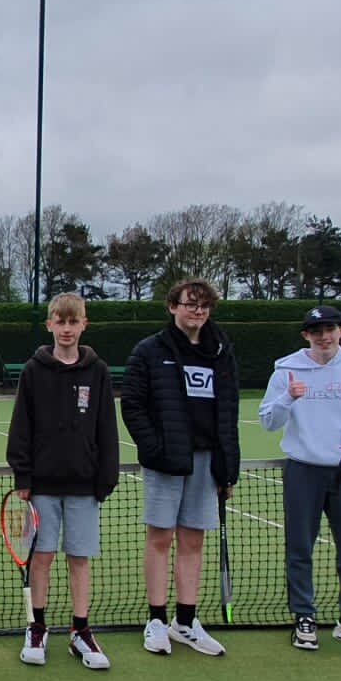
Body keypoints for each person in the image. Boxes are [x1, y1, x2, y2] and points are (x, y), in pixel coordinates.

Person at [258, 306, 341, 653]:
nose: (323, 336)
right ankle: (303, 617)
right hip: (303, 470)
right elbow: (268, 421)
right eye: (315, 330)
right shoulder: (285, 370)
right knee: (300, 548)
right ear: (306, 335)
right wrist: (289, 397)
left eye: (329, 329)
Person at [121, 279, 241, 656]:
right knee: (160, 539)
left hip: (207, 463)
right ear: (173, 307)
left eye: (204, 306)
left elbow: (229, 411)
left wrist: (228, 467)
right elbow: (133, 406)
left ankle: (185, 621)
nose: (198, 311)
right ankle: (156, 619)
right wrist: (155, 449)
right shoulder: (150, 351)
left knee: (193, 541)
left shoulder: (221, 351)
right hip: (166, 462)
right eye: (191, 304)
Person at [7, 293, 120, 669]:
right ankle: (37, 627)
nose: (67, 329)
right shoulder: (33, 370)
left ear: (83, 324)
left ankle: (80, 631)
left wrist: (106, 477)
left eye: (74, 322)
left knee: (79, 559)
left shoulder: (98, 370)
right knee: (41, 558)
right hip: (41, 486)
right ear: (50, 325)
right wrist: (23, 475)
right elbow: (21, 426)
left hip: (85, 486)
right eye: (61, 321)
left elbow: (107, 427)